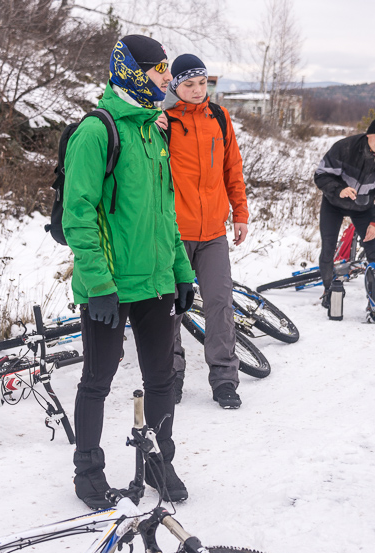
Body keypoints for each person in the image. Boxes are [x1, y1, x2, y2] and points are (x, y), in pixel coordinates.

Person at [62, 35, 196, 509]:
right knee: (97, 379)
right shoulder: (97, 132)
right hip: (111, 287)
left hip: (156, 284)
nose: (167, 79)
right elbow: (77, 215)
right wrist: (98, 284)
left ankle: (161, 461)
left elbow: (166, 213)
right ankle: (88, 471)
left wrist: (181, 271)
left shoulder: (154, 131)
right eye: (159, 70)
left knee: (162, 378)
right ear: (133, 72)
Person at [160, 54, 249, 409]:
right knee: (170, 309)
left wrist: (239, 213)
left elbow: (233, 169)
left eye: (202, 84)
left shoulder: (219, 118)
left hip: (213, 231)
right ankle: (170, 376)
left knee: (219, 305)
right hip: (175, 235)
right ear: (174, 86)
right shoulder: (161, 121)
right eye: (189, 84)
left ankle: (225, 379)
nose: (198, 91)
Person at [313, 117, 375, 308]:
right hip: (333, 203)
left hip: (363, 208)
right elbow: (321, 175)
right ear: (369, 133)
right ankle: (329, 292)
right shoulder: (345, 148)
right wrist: (339, 190)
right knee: (328, 248)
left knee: (373, 249)